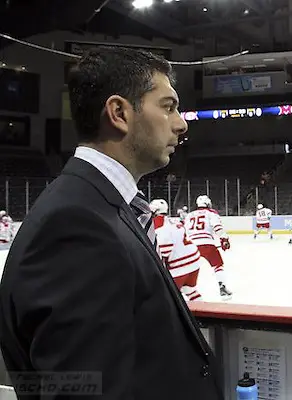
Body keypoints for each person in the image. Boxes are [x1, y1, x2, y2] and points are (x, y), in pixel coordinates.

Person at [0, 48, 223, 399]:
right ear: (119, 113)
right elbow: (82, 390)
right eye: (168, 106)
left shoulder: (103, 206)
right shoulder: (74, 226)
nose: (181, 123)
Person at [150, 199, 202, 302]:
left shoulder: (157, 224)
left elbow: (165, 248)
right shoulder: (173, 220)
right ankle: (205, 313)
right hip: (194, 259)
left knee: (164, 298)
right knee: (189, 289)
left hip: (179, 265)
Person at [185, 195, 233, 300]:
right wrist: (224, 238)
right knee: (218, 265)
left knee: (188, 268)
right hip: (207, 243)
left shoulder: (189, 215)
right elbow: (217, 227)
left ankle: (183, 290)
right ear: (207, 204)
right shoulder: (211, 213)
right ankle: (222, 288)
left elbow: (184, 231)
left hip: (191, 244)